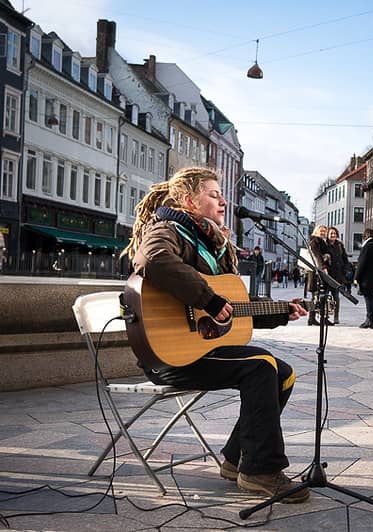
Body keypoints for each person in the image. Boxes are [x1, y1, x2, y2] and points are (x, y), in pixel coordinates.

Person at [123, 166, 309, 503]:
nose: (223, 201)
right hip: (169, 356)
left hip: (201, 351)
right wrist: (207, 298)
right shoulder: (167, 230)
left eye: (221, 194)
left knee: (283, 372)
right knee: (261, 364)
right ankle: (261, 471)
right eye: (213, 194)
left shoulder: (213, 243)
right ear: (188, 201)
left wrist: (282, 311)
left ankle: (238, 459)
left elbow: (231, 308)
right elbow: (151, 259)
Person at [355, 228, 373, 329]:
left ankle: (369, 320)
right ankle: (370, 319)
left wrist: (356, 277)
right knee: (371, 298)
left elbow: (361, 263)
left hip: (367, 278)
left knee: (368, 298)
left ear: (365, 236)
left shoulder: (368, 246)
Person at [326, 226, 350, 324]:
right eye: (331, 233)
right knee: (326, 297)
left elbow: (345, 259)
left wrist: (345, 270)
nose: (333, 235)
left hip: (337, 276)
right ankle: (326, 316)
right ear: (328, 235)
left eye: (335, 233)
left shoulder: (340, 245)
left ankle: (336, 316)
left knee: (336, 297)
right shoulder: (325, 245)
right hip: (327, 276)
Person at [306, 225, 329, 326]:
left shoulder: (320, 241)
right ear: (316, 231)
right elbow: (317, 255)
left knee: (317, 296)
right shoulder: (315, 241)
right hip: (316, 272)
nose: (323, 233)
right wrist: (323, 267)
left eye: (324, 231)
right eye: (321, 231)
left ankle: (313, 318)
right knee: (315, 295)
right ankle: (312, 318)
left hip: (317, 271)